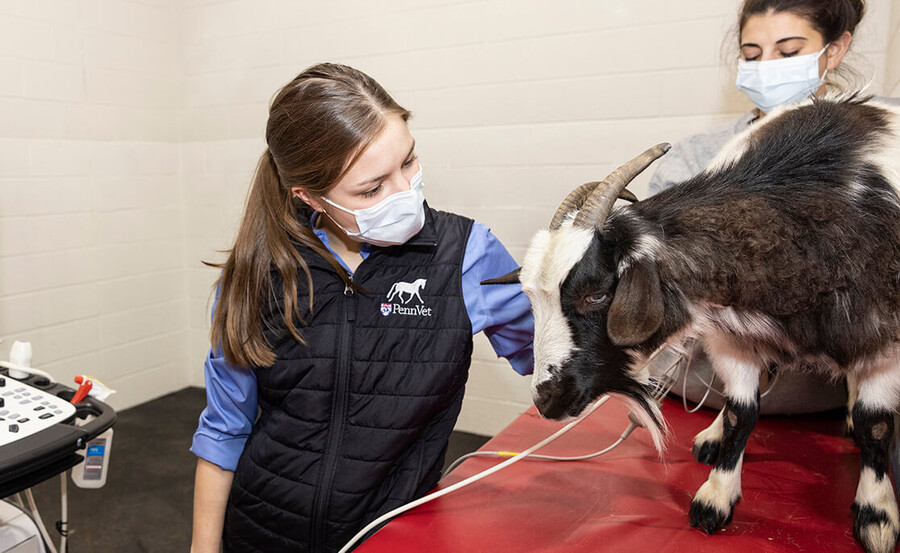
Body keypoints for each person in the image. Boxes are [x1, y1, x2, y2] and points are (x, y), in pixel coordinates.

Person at [189, 63, 534, 553]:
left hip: (391, 538)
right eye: (372, 189)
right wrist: (204, 547)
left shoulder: (467, 255)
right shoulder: (255, 275)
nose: (404, 193)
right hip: (260, 529)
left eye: (409, 163)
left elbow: (557, 360)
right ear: (308, 196)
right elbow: (223, 430)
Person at [647, 0, 900, 414]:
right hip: (703, 396)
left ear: (833, 50)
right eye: (751, 56)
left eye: (787, 53)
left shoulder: (880, 144)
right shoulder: (698, 161)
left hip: (832, 406)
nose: (766, 67)